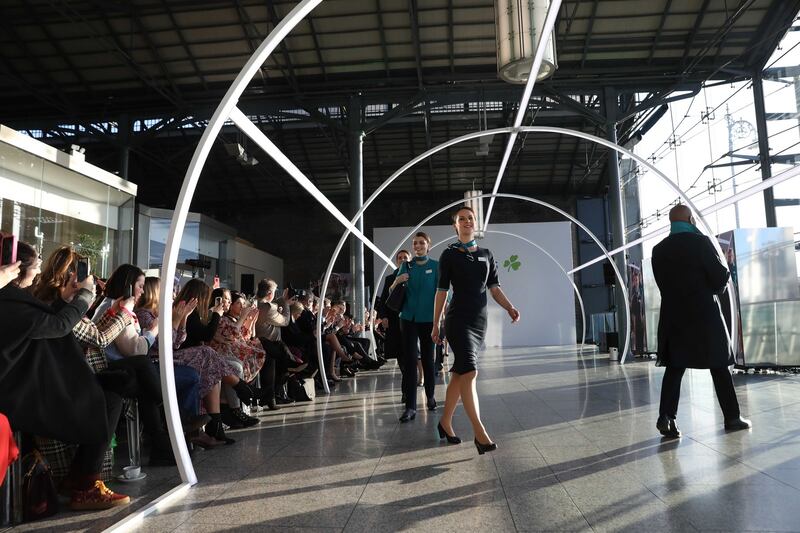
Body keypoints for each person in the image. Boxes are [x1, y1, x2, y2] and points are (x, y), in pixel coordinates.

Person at [0, 241, 129, 509]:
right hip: (20, 393)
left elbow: (43, 323)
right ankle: (84, 484)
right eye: (34, 267)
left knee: (110, 395)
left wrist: (66, 300)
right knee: (105, 399)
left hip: (31, 382)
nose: (37, 273)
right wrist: (82, 298)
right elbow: (57, 326)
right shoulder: (8, 303)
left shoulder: (13, 300)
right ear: (14, 270)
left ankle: (81, 479)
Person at [652, 204, 751, 438]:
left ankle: (666, 417)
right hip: (704, 315)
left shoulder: (659, 250)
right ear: (689, 219)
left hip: (673, 316)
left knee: (675, 367)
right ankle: (732, 418)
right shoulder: (701, 243)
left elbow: (662, 285)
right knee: (719, 366)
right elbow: (719, 277)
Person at [432, 206, 520, 454]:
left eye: (470, 218)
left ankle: (445, 422)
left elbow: (494, 288)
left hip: (479, 322)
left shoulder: (486, 254)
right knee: (470, 371)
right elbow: (441, 292)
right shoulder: (448, 255)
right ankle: (480, 434)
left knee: (461, 374)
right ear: (455, 226)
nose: (467, 221)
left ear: (475, 223)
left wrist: (509, 307)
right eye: (462, 219)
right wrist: (435, 323)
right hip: (457, 319)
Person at [391, 232, 439, 422]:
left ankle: (430, 396)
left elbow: (445, 292)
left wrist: (440, 318)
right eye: (415, 243)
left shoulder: (436, 266)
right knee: (410, 361)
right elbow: (391, 292)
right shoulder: (406, 265)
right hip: (408, 318)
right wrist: (397, 281)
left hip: (428, 319)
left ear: (428, 245)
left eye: (421, 243)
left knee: (428, 359)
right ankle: (410, 407)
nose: (418, 245)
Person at [377, 250, 411, 399]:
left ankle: (407, 390)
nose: (402, 259)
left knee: (408, 355)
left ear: (409, 259)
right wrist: (383, 316)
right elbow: (384, 298)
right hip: (394, 321)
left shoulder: (414, 276)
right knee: (400, 355)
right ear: (396, 260)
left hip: (410, 319)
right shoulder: (390, 278)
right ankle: (406, 390)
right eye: (400, 258)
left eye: (405, 257)